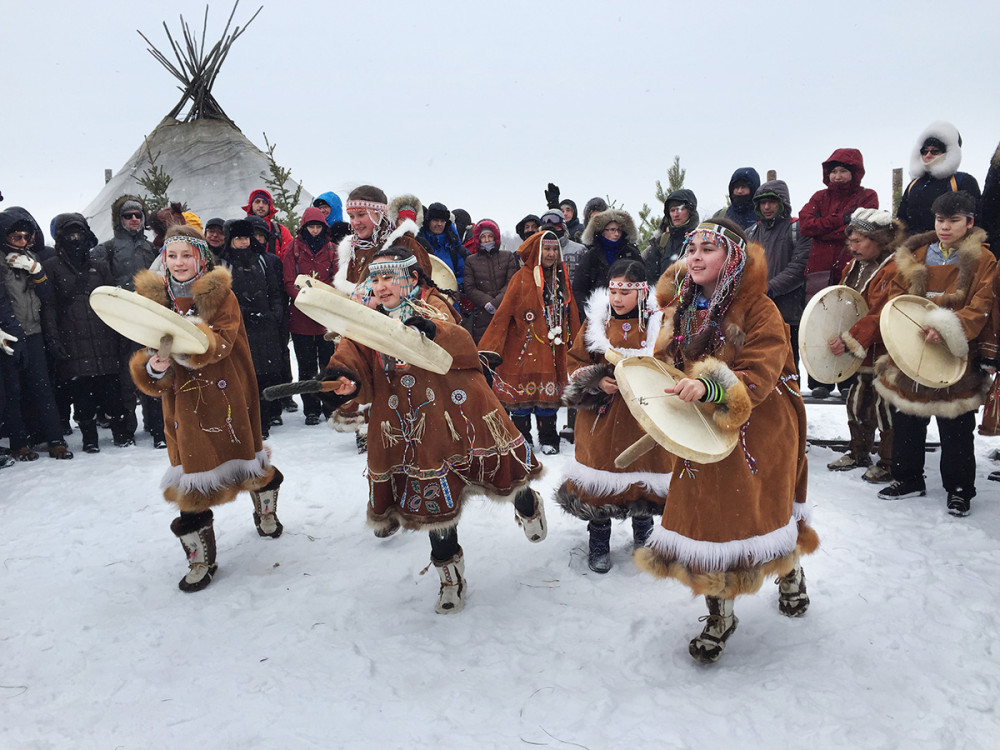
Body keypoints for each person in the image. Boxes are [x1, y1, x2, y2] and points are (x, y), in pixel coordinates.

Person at [322, 245, 546, 614]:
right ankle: (450, 578)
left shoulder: (431, 305)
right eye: (374, 279)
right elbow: (351, 354)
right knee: (435, 500)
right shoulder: (365, 318)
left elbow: (458, 339)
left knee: (503, 475)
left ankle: (527, 504)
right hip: (409, 424)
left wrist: (431, 331)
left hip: (460, 409)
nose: (380, 286)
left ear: (411, 279)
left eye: (389, 277)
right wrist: (343, 377)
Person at [635, 219, 818, 664]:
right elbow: (664, 361)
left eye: (708, 249)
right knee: (709, 521)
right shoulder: (681, 305)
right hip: (699, 427)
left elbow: (762, 366)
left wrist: (713, 385)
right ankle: (720, 614)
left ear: (732, 257)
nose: (695, 256)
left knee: (766, 511)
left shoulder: (760, 309)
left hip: (762, 425)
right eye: (690, 247)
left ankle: (789, 572)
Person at [130, 225, 285, 592]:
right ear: (163, 259)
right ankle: (201, 558)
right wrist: (155, 368)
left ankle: (265, 508)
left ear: (201, 257)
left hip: (226, 392)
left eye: (187, 255)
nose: (179, 262)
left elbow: (223, 343)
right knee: (191, 477)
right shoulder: (156, 301)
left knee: (247, 459)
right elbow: (150, 351)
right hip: (182, 405)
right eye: (172, 255)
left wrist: (188, 339)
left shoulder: (221, 296)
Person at [875, 191, 995, 517]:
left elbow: (981, 305)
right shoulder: (914, 254)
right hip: (914, 347)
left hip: (955, 351)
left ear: (969, 222)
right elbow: (896, 298)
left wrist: (946, 328)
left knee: (955, 425)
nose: (944, 226)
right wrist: (908, 326)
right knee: (908, 418)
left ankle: (959, 489)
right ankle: (909, 477)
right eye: (940, 220)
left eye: (953, 220)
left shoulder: (984, 260)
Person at [558, 259, 668, 573]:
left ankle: (644, 535)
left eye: (625, 292)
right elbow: (575, 361)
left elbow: (673, 364)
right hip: (602, 417)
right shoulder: (596, 324)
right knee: (600, 477)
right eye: (613, 290)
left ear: (642, 292)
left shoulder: (659, 325)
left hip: (644, 416)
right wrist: (595, 379)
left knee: (644, 475)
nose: (617, 299)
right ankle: (599, 541)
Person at [478, 231, 580, 454]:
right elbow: (503, 314)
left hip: (553, 346)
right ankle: (522, 439)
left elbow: (571, 310)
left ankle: (548, 438)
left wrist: (577, 343)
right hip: (522, 348)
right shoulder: (521, 278)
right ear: (537, 251)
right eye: (547, 249)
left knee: (548, 395)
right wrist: (490, 347)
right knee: (521, 398)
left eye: (555, 249)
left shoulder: (561, 275)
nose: (551, 254)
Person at [824, 209, 903, 483]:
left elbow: (886, 314)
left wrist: (851, 338)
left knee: (884, 409)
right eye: (850, 241)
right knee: (857, 403)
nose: (852, 247)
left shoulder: (898, 268)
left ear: (879, 239)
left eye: (859, 240)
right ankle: (858, 452)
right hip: (859, 354)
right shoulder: (853, 267)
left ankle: (889, 461)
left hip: (885, 353)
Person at [43, 213, 131, 453]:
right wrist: (53, 339)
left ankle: (120, 433)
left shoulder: (99, 266)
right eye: (70, 235)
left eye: (79, 234)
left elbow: (113, 300)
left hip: (104, 337)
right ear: (61, 238)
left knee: (112, 390)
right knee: (82, 394)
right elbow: (49, 307)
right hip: (72, 339)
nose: (75, 239)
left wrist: (120, 331)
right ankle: (89, 438)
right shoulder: (51, 267)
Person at [0, 207, 72, 460]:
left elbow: (47, 297)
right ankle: (19, 444)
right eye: (15, 237)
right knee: (13, 392)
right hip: (7, 335)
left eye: (25, 237)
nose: (21, 242)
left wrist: (37, 272)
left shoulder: (31, 257)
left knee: (42, 388)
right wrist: (11, 329)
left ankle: (55, 440)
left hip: (35, 332)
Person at [216, 218, 287, 437]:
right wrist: (243, 314)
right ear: (231, 239)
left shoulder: (263, 260)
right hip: (239, 327)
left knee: (266, 374)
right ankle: (249, 420)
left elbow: (275, 291)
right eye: (239, 238)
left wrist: (274, 315)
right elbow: (220, 297)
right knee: (244, 375)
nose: (244, 242)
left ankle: (265, 419)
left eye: (246, 237)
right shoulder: (222, 264)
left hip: (265, 326)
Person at [746, 180, 811, 384]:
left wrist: (769, 289)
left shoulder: (797, 229)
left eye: (772, 202)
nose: (766, 207)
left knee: (788, 366)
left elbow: (799, 267)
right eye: (763, 202)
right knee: (759, 364)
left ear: (783, 202)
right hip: (756, 312)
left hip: (788, 312)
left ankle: (792, 412)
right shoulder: (751, 233)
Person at [281, 208, 338, 426]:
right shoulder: (293, 249)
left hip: (325, 316)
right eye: (311, 227)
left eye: (318, 227)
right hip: (302, 315)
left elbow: (335, 279)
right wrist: (305, 298)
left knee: (329, 365)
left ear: (324, 228)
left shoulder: (332, 250)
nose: (314, 231)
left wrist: (325, 299)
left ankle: (330, 406)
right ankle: (311, 409)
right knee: (306, 367)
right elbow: (288, 280)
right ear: (304, 227)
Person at [799, 149, 879, 299]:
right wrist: (842, 219)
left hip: (853, 268)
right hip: (818, 271)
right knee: (817, 316)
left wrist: (821, 231)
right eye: (833, 171)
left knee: (851, 313)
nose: (837, 176)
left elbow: (859, 231)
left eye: (843, 171)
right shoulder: (819, 197)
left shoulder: (868, 196)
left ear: (855, 173)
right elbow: (805, 226)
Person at [898, 122, 981, 236]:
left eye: (935, 151)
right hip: (914, 246)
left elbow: (976, 218)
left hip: (951, 245)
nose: (928, 155)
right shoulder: (914, 184)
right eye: (924, 151)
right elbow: (902, 219)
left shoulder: (962, 180)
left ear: (948, 154)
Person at [573, 208, 643, 310]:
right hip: (598, 311)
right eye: (612, 230)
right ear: (602, 231)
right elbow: (579, 288)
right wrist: (587, 311)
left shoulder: (631, 253)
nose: (617, 234)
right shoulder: (591, 256)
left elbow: (643, 282)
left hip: (628, 310)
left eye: (619, 230)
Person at [462, 219, 517, 342]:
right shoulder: (471, 260)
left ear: (495, 237)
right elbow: (469, 287)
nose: (487, 240)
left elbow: (512, 283)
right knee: (485, 350)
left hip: (505, 310)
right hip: (482, 315)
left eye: (490, 236)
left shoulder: (507, 256)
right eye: (483, 237)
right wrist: (487, 303)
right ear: (478, 239)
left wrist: (497, 302)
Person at [644, 188, 700, 284]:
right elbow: (651, 277)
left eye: (680, 209)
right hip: (664, 296)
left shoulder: (701, 238)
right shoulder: (662, 242)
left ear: (690, 211)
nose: (675, 214)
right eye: (672, 210)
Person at [417, 202, 468, 287]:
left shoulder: (454, 247)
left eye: (442, 221)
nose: (439, 224)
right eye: (435, 220)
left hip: (449, 295)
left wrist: (453, 289)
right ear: (428, 221)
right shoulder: (419, 244)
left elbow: (463, 275)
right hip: (424, 295)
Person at [538, 209, 586, 293]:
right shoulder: (537, 251)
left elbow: (586, 280)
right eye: (548, 229)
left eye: (556, 227)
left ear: (563, 227)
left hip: (572, 299)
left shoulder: (579, 250)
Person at [242, 188, 293, 258]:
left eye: (265, 202)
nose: (261, 205)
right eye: (257, 201)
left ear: (270, 207)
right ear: (251, 205)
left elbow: (289, 259)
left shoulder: (281, 231)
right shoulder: (241, 228)